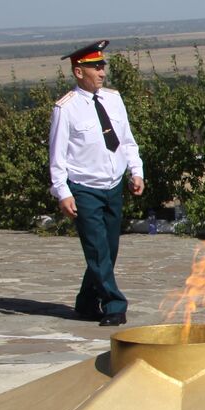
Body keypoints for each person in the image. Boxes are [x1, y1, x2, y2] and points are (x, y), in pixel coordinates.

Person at [48, 40, 144, 326]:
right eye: (95, 67)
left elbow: (126, 140)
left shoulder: (113, 99)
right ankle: (115, 305)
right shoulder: (66, 109)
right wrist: (62, 192)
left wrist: (135, 171)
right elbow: (57, 156)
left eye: (103, 66)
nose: (102, 72)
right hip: (84, 188)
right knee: (97, 249)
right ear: (79, 72)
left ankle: (87, 302)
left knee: (109, 249)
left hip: (113, 186)